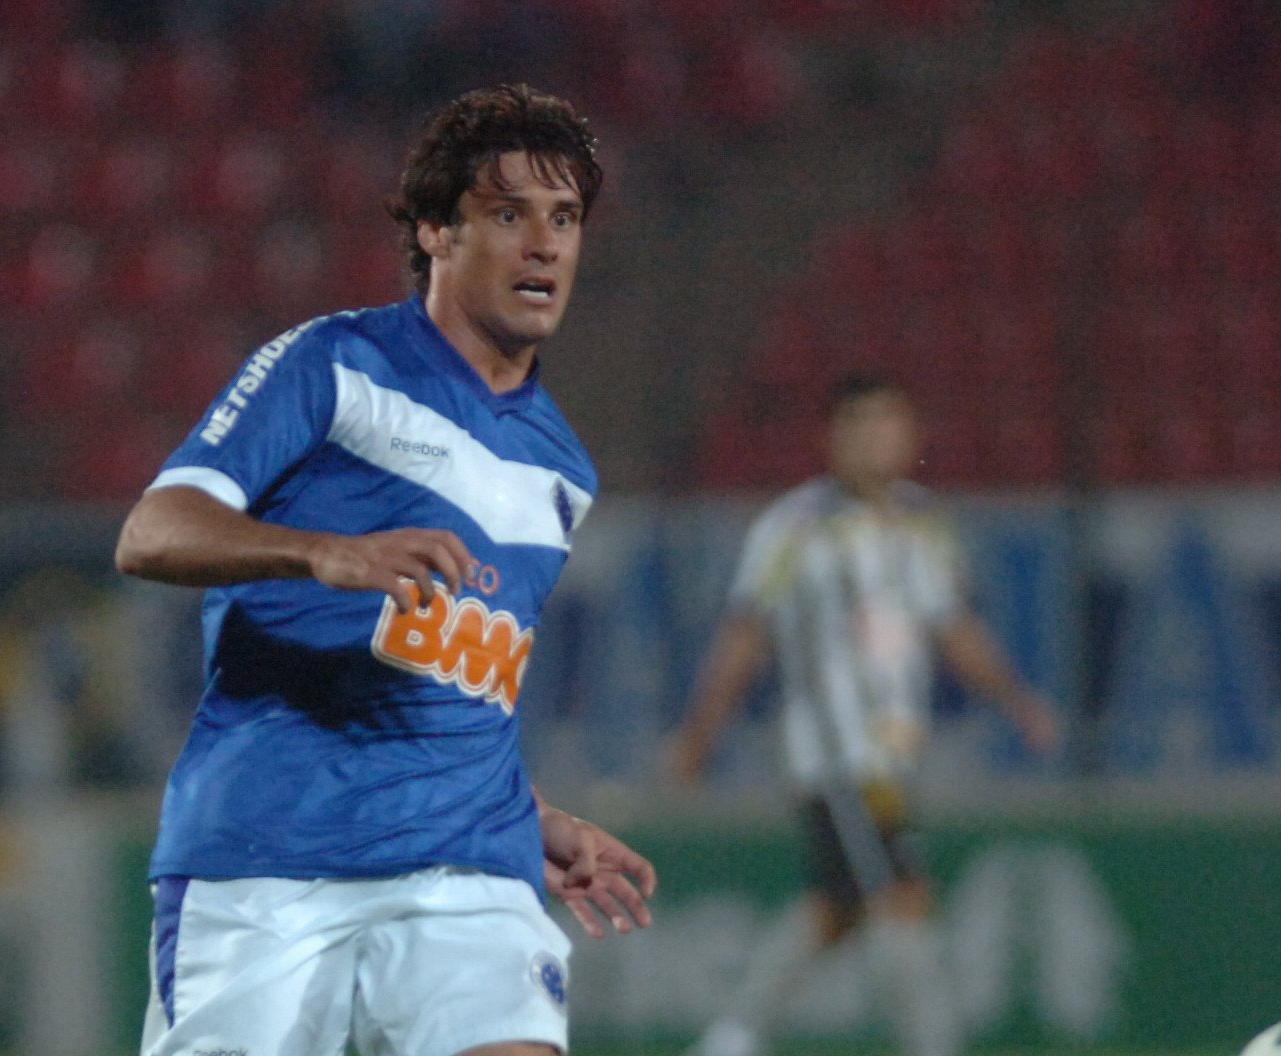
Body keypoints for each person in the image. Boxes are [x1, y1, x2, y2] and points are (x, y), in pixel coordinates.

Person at [115, 84, 657, 1056]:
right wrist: (319, 552)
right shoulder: (334, 365)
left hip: (470, 873)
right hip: (269, 856)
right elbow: (153, 531)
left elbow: (455, 683)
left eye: (564, 217)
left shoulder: (563, 471)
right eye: (508, 213)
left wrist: (537, 823)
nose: (544, 244)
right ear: (435, 231)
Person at [669, 374, 1060, 1056]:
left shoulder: (923, 525)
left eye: (890, 424)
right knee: (903, 896)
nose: (878, 439)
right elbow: (745, 636)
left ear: (911, 436)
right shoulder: (794, 527)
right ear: (834, 440)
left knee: (837, 910)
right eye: (861, 425)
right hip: (835, 754)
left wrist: (1018, 701)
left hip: (895, 751)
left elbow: (953, 627)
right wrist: (700, 734)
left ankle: (730, 1040)